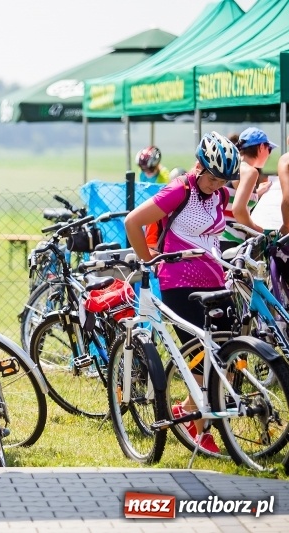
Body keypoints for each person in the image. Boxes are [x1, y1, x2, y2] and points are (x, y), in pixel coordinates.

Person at [124, 131, 239, 453]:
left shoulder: (220, 195)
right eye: (213, 178)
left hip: (216, 280)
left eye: (224, 180)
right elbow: (133, 222)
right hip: (180, 283)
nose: (217, 185)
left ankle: (187, 411)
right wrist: (150, 262)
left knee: (228, 354)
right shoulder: (179, 190)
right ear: (199, 166)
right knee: (202, 357)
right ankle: (201, 431)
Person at [220, 128, 277, 251]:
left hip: (217, 239)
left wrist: (257, 193)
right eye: (269, 149)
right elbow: (238, 210)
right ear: (261, 147)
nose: (269, 155)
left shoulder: (233, 166)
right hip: (229, 241)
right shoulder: (250, 171)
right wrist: (257, 230)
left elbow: (232, 197)